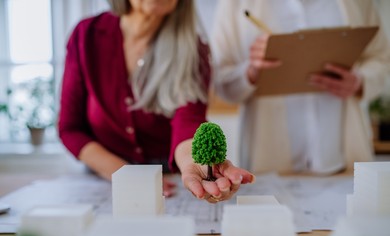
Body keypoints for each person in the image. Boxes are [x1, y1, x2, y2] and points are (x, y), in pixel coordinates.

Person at [58, 0, 254, 203]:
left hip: (167, 179)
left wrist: (197, 162)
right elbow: (70, 129)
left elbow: (188, 121)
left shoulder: (192, 50)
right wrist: (125, 174)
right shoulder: (86, 35)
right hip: (104, 175)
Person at [212, 0, 390, 175]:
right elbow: (221, 81)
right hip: (269, 167)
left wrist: (360, 81)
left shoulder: (360, 3)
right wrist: (250, 72)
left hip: (344, 165)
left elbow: (382, 59)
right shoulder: (235, 4)